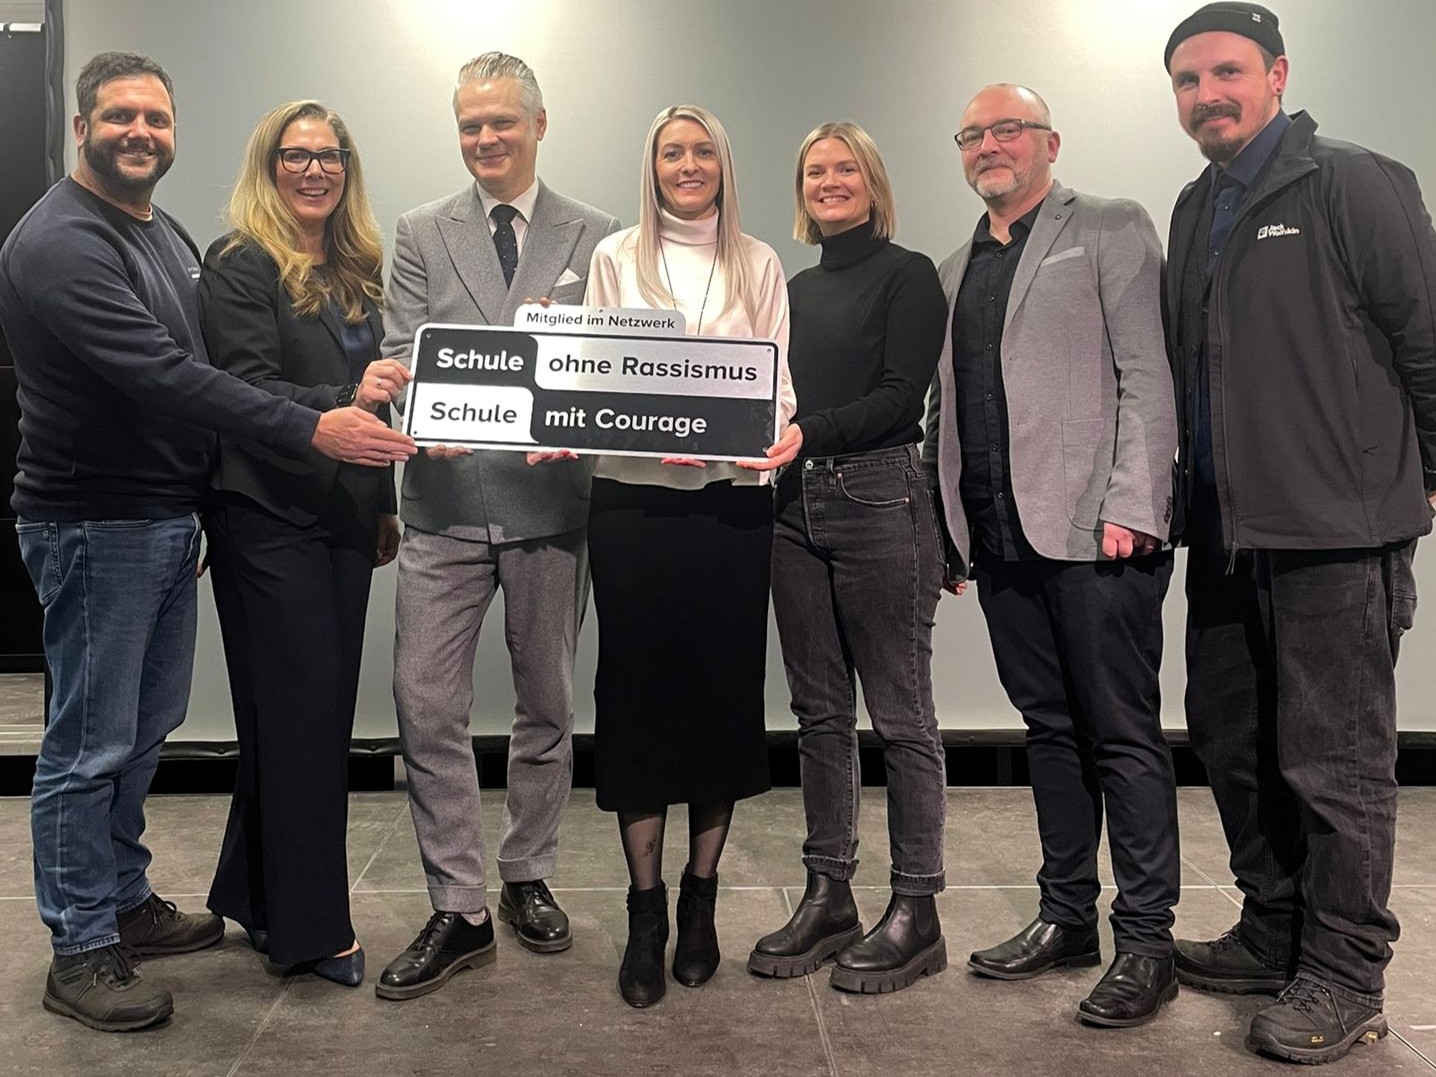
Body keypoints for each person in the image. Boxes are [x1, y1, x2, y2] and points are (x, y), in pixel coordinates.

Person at [0, 52, 415, 1033]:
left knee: (141, 733)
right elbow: (169, 374)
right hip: (93, 517)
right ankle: (80, 946)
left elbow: (202, 377)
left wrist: (209, 498)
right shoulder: (60, 241)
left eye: (156, 117)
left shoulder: (160, 233)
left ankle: (124, 901)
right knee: (88, 746)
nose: (140, 132)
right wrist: (317, 422)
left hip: (161, 515)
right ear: (82, 127)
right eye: (120, 117)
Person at [1161, 3, 1436, 1063]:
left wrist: (1429, 480)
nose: (1206, 95)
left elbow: (1425, 340)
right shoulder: (1195, 206)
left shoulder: (1352, 182)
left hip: (1335, 531)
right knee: (1231, 741)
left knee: (1336, 761)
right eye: (1187, 81)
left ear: (1275, 75)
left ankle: (1345, 972)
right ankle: (1272, 928)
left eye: (1225, 72)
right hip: (1227, 533)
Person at [924, 83, 1181, 1027]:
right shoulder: (953, 268)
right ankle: (1067, 916)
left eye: (1008, 129)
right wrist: (948, 527)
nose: (989, 145)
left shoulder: (1110, 226)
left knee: (1122, 733)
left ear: (1050, 142)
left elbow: (1148, 375)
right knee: (1049, 731)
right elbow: (946, 411)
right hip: (999, 538)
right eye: (973, 134)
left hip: (1098, 533)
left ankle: (1146, 942)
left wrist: (1136, 502)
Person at [375, 52, 620, 1002]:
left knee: (546, 702)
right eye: (470, 125)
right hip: (442, 501)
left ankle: (526, 872)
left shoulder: (597, 234)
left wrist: (585, 414)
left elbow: (604, 366)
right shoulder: (419, 230)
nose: (485, 139)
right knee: (425, 704)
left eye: (501, 123)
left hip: (550, 508)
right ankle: (458, 903)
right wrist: (417, 413)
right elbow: (404, 353)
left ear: (539, 125)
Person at [582, 104, 798, 1008]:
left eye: (703, 149)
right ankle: (645, 911)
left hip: (729, 508)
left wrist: (749, 438)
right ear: (653, 165)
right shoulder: (614, 257)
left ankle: (700, 901)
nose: (688, 164)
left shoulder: (760, 261)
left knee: (720, 696)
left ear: (723, 162)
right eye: (672, 151)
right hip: (633, 506)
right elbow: (592, 372)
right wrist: (637, 430)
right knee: (637, 700)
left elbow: (778, 383)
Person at [199, 100, 410, 986]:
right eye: (296, 155)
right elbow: (243, 388)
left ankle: (254, 892)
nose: (315, 170)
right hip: (265, 515)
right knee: (299, 719)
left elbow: (379, 399)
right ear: (270, 165)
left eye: (330, 156)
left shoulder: (356, 269)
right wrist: (342, 399)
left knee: (303, 717)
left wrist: (384, 502)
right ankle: (311, 930)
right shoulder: (240, 262)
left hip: (344, 516)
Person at [746, 122, 949, 995]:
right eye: (815, 171)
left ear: (872, 181)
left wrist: (809, 434)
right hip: (792, 506)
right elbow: (763, 390)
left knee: (901, 714)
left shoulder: (909, 275)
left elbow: (904, 398)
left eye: (845, 168)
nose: (829, 182)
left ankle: (916, 909)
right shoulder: (792, 289)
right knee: (820, 714)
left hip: (878, 496)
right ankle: (830, 893)